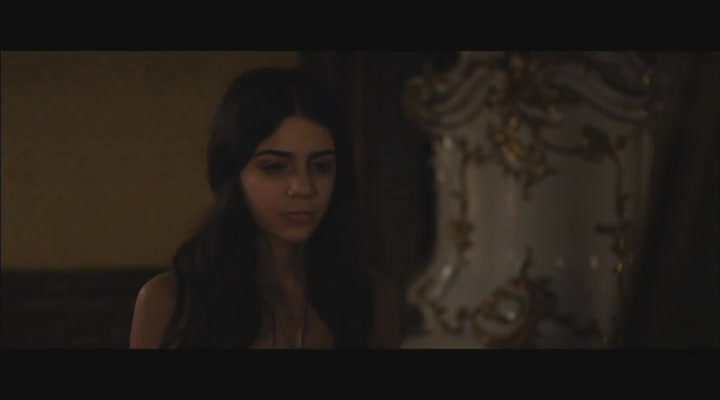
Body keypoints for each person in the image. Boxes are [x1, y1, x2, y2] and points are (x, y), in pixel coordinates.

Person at [128, 67, 401, 349]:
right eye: (275, 167)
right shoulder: (171, 301)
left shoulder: (372, 296)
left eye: (321, 166)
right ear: (233, 173)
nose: (304, 187)